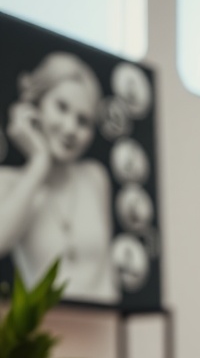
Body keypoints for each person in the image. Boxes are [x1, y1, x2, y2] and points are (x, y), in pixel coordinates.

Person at [0, 51, 118, 301]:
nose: (70, 128)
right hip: (42, 334)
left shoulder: (95, 178)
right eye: (61, 107)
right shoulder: (10, 182)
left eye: (83, 121)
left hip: (102, 331)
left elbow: (108, 275)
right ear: (37, 104)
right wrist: (39, 162)